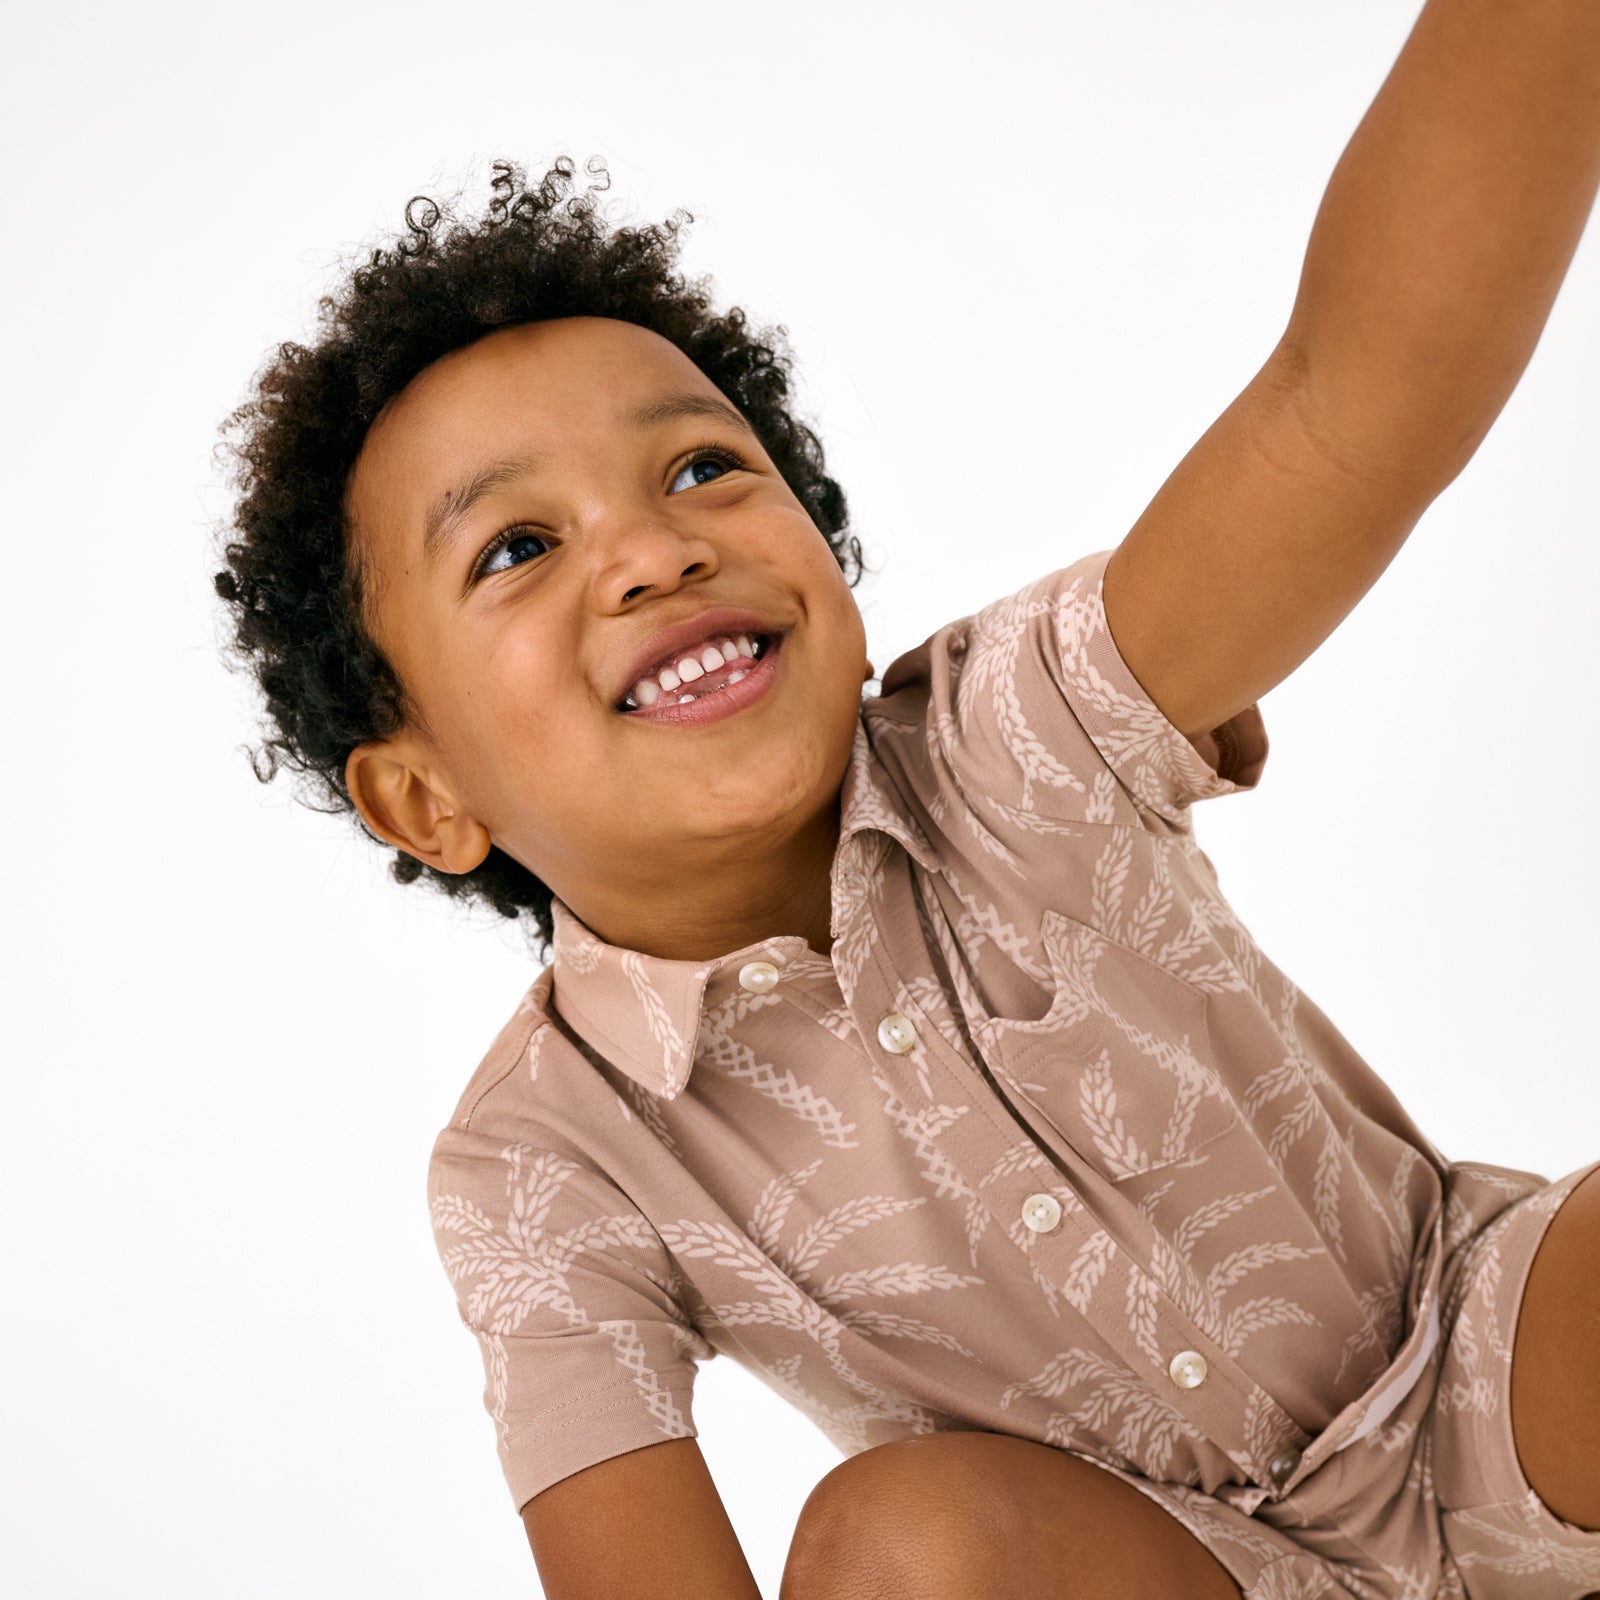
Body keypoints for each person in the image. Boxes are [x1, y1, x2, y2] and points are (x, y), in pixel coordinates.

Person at [212, 0, 1600, 1593]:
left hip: (1487, 1374)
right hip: (1171, 1577)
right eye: (516, 549)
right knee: (897, 1545)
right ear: (423, 797)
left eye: (702, 469)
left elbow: (1353, 399)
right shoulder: (540, 1164)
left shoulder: (1021, 731)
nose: (656, 550)